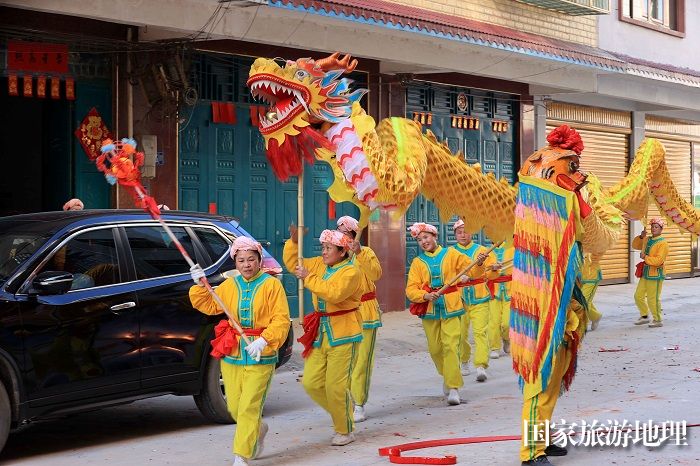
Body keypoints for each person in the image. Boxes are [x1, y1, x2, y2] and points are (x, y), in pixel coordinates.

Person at [189, 237, 291, 466]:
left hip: (260, 354)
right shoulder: (229, 285)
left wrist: (264, 341)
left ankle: (241, 455)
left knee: (249, 407)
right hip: (233, 351)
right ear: (235, 262)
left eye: (251, 260)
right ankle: (259, 428)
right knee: (234, 407)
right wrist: (198, 285)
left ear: (259, 260)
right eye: (241, 260)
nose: (246, 265)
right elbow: (210, 305)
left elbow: (282, 319)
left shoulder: (271, 285)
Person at [284, 226, 362, 446]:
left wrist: (308, 278)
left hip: (344, 332)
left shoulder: (351, 272)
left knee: (336, 387)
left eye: (328, 248)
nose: (324, 252)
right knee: (311, 383)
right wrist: (294, 243)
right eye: (323, 247)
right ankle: (345, 409)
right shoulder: (319, 264)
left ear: (342, 251)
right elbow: (294, 264)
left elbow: (334, 294)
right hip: (320, 332)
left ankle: (344, 429)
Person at [405, 222, 486, 406]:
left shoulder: (451, 254)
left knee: (451, 346)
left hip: (451, 306)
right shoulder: (418, 263)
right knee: (435, 349)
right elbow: (410, 289)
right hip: (430, 309)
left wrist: (479, 263)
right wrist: (424, 295)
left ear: (434, 236)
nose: (423, 242)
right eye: (419, 240)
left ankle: (453, 386)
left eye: (426, 237)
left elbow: (472, 269)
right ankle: (447, 375)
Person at [336, 215, 382, 423]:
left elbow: (376, 274)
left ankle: (359, 402)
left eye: (346, 234)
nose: (343, 238)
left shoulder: (367, 252)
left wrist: (360, 253)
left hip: (366, 310)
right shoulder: (336, 257)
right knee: (345, 360)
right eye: (340, 234)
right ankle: (344, 401)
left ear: (355, 235)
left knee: (362, 360)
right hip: (344, 314)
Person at [450, 219, 495, 382]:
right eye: (459, 232)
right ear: (455, 234)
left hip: (480, 296)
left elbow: (491, 273)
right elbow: (446, 276)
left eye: (466, 231)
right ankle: (463, 360)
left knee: (480, 332)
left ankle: (481, 365)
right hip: (459, 299)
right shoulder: (450, 253)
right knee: (460, 334)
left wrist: (493, 269)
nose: (463, 235)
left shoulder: (482, 251)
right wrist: (456, 279)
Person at [632, 217, 669, 328]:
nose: (653, 229)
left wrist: (646, 257)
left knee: (653, 298)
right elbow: (635, 245)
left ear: (661, 229)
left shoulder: (663, 243)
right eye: (652, 226)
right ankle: (644, 316)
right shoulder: (647, 239)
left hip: (656, 274)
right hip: (645, 272)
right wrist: (641, 237)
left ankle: (658, 319)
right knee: (638, 296)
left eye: (656, 227)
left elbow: (659, 260)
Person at [487, 243, 514, 355]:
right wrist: (491, 269)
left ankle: (507, 339)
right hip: (494, 289)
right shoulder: (486, 251)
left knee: (507, 322)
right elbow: (482, 270)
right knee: (493, 321)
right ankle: (494, 347)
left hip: (510, 288)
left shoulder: (513, 248)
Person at [581, 253, 603, 331]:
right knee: (581, 300)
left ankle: (582, 325)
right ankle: (595, 316)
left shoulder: (594, 245)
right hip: (580, 277)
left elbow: (599, 253)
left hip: (592, 278)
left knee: (584, 301)